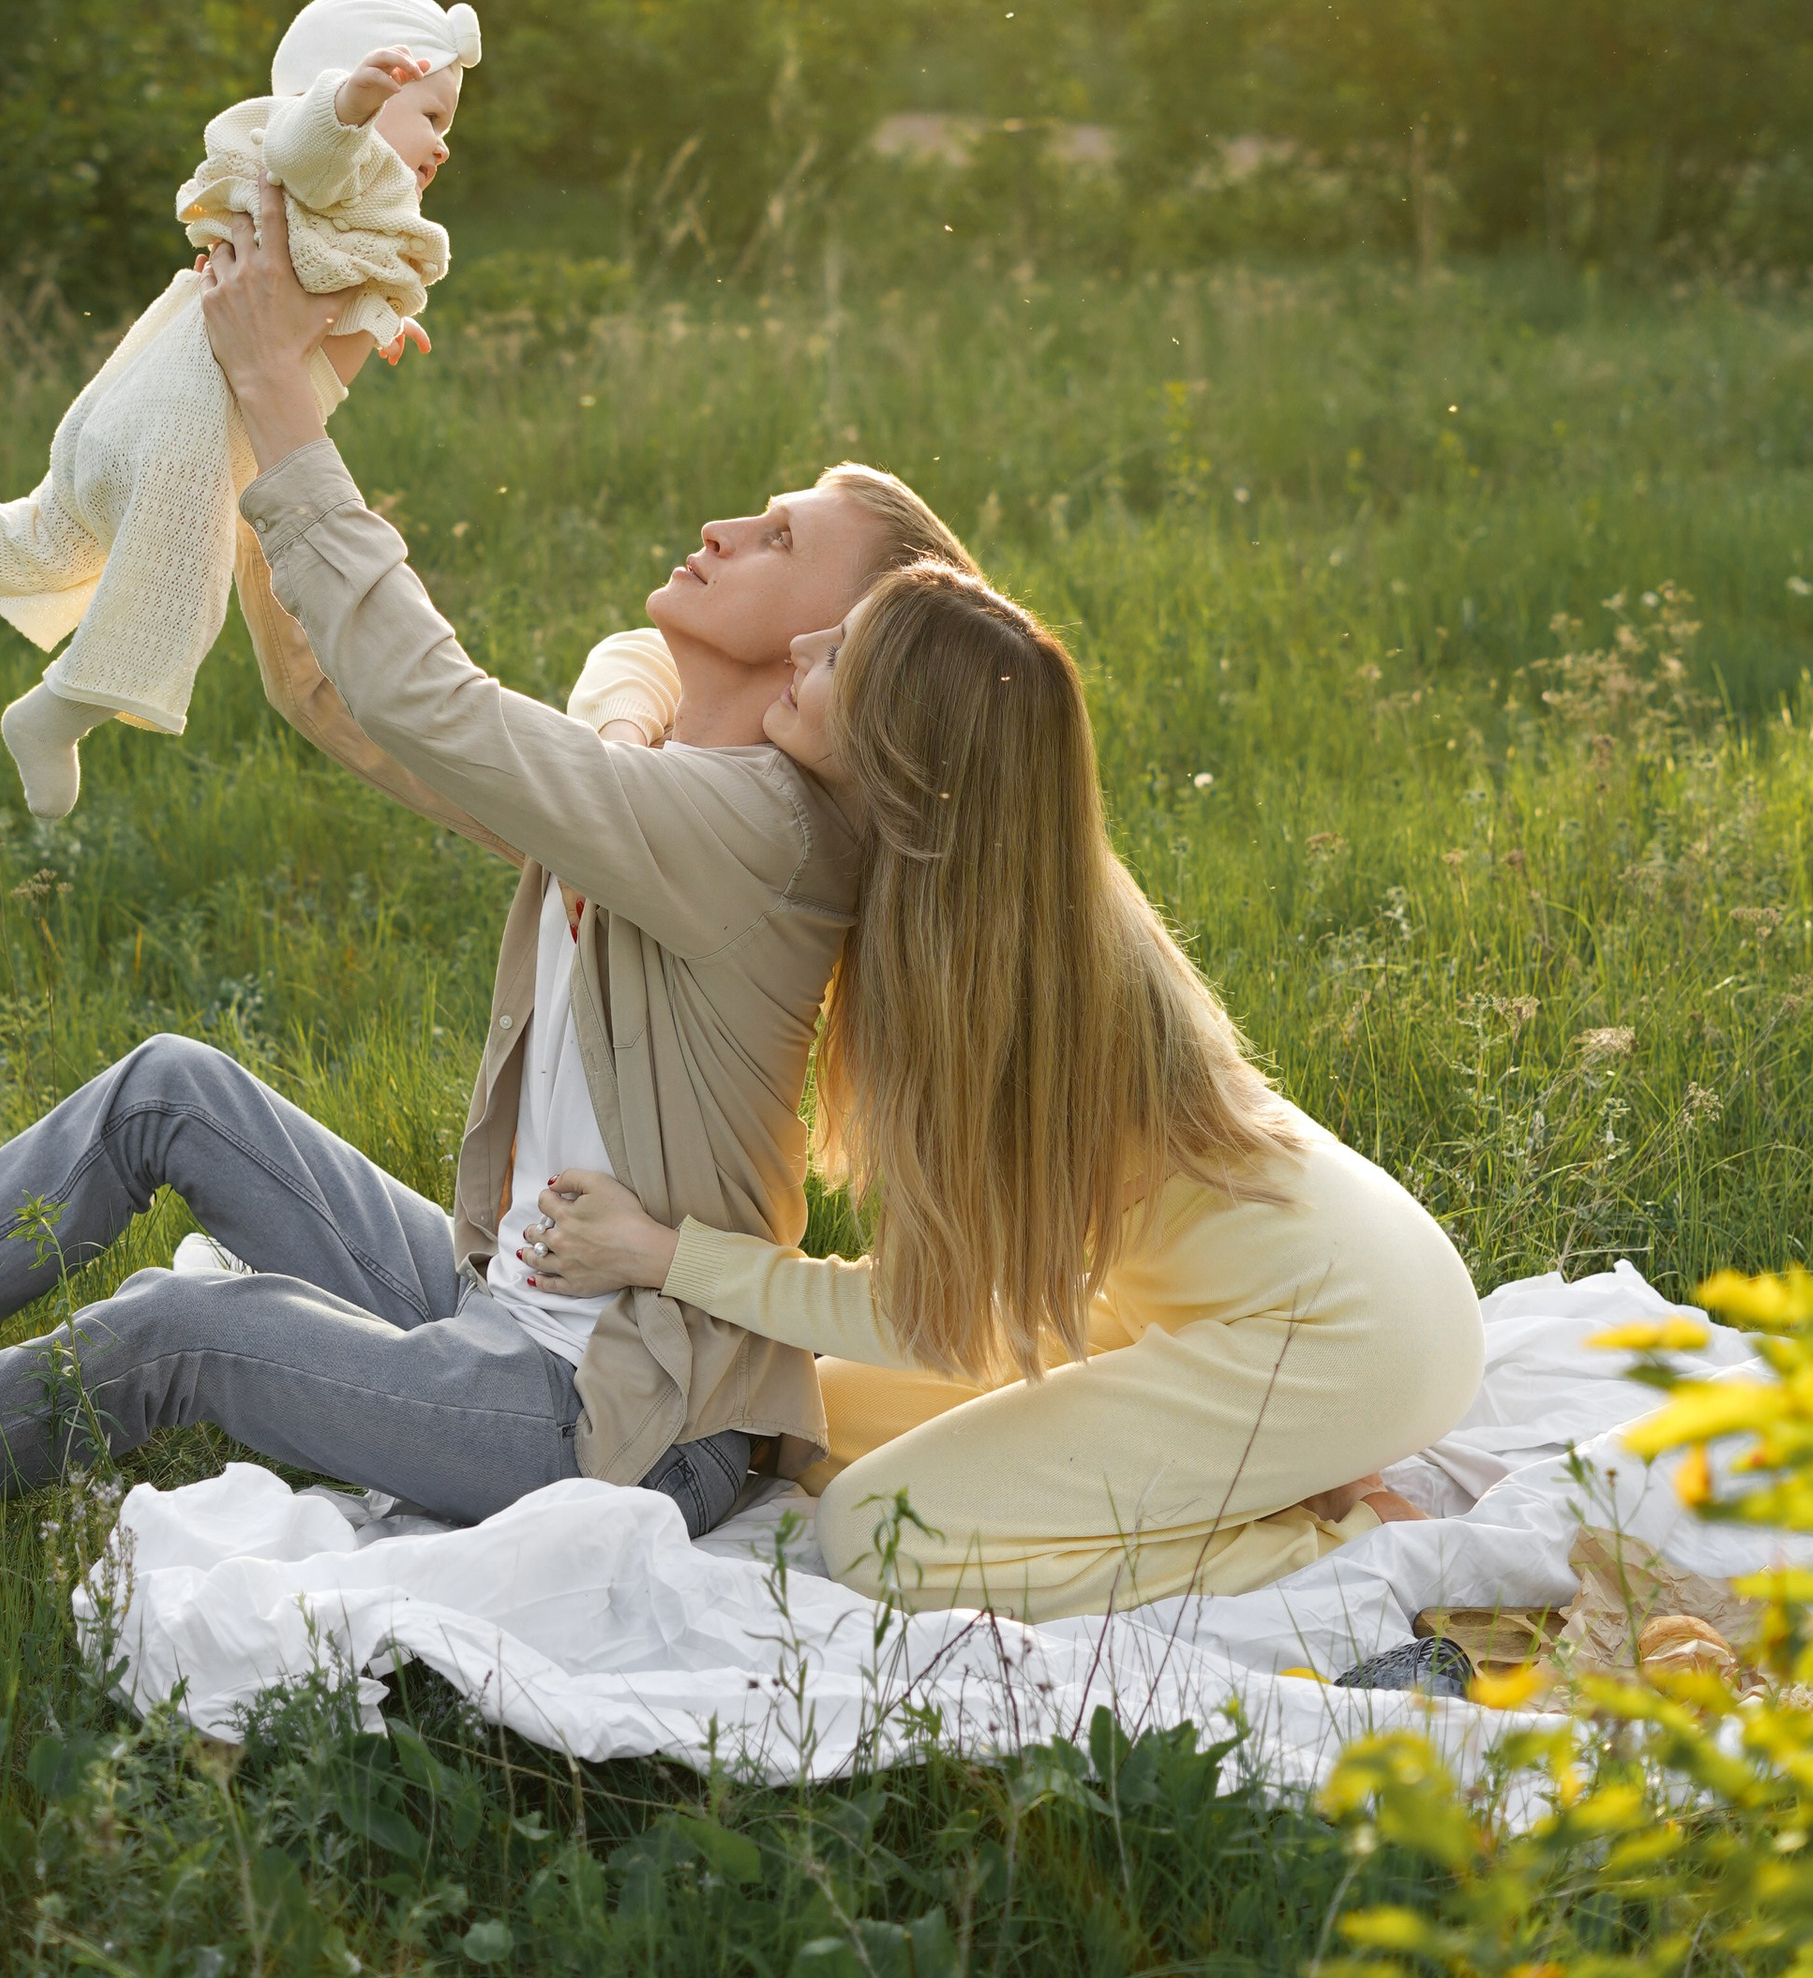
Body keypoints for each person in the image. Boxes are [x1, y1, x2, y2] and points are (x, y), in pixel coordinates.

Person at [0, 182, 975, 1542]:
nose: (728, 526)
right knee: (171, 1088)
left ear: (842, 648)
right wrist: (229, 436)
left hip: (623, 1420)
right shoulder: (654, 783)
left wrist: (286, 398)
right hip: (510, 1306)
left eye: (780, 540)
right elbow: (342, 703)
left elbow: (430, 699)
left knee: (179, 1328)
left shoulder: (758, 831)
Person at [521, 559, 1487, 1619]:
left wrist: (668, 1258)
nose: (796, 649)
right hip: (1240, 1300)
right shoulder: (998, 889)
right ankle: (1281, 1474)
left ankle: (1345, 1542)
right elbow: (639, 653)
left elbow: (924, 1320)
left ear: (898, 741)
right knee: (815, 1422)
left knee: (883, 1538)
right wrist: (618, 767)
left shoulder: (995, 989)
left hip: (1342, 1338)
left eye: (834, 654)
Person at [0, 0, 481, 820]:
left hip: (159, 390)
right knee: (174, 594)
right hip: (191, 419)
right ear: (351, 88)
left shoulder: (349, 210)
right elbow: (310, 148)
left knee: (52, 538)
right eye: (432, 116)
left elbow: (328, 278)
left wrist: (379, 320)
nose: (442, 145)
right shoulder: (328, 157)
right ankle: (51, 716)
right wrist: (348, 105)